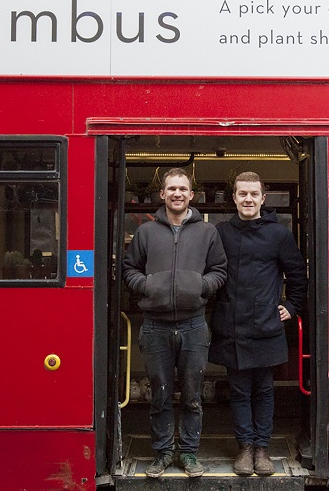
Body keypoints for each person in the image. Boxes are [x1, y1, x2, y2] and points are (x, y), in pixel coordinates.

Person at [122, 167, 227, 478]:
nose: (177, 193)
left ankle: (190, 454)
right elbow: (130, 270)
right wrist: (148, 286)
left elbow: (219, 271)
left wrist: (200, 286)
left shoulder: (207, 232)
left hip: (195, 324)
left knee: (193, 396)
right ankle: (163, 453)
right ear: (162, 194)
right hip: (155, 326)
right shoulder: (146, 232)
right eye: (172, 189)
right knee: (161, 394)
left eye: (183, 188)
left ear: (191, 195)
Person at [209, 172, 307, 477]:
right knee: (238, 391)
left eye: (254, 194)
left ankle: (262, 448)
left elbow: (298, 274)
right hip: (232, 326)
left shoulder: (279, 235)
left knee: (264, 390)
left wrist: (291, 306)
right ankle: (245, 448)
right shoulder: (221, 232)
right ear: (234, 198)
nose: (248, 199)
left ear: (263, 199)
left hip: (266, 326)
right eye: (242, 194)